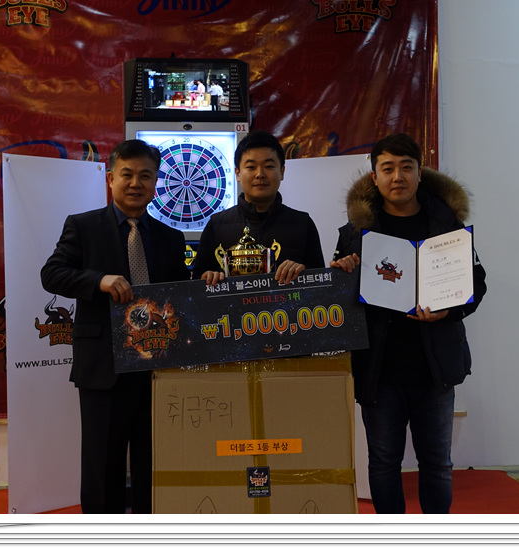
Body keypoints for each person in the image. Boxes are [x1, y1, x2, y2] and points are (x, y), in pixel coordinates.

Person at [330, 133, 486, 514]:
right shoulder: (354, 232)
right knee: (384, 463)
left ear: (419, 172)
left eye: (406, 167)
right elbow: (339, 301)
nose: (397, 176)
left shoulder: (447, 224)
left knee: (438, 464)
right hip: (380, 370)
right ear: (374, 177)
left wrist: (449, 309)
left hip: (435, 368)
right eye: (387, 169)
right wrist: (340, 274)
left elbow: (477, 283)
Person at [40, 139, 190, 514]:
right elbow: (52, 274)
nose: (136, 183)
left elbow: (181, 298)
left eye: (146, 176)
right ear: (111, 179)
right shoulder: (83, 226)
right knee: (102, 464)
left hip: (156, 367)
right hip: (103, 366)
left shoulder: (171, 238)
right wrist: (99, 281)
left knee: (154, 462)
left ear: (156, 183)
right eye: (127, 174)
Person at [193, 129, 324, 285]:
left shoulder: (303, 223)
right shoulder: (216, 225)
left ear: (282, 171)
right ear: (237, 173)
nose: (260, 174)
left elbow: (321, 282)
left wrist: (304, 272)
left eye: (269, 166)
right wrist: (207, 278)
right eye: (251, 167)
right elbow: (196, 281)